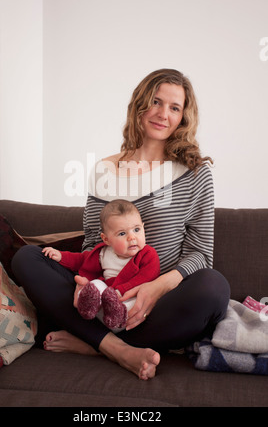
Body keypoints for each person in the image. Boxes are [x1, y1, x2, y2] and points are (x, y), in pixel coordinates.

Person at [12, 68, 230, 381]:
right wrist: (84, 284)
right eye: (155, 102)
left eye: (174, 107)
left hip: (160, 304)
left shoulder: (196, 172)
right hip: (102, 300)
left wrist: (156, 288)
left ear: (183, 117)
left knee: (214, 286)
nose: (162, 114)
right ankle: (115, 347)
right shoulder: (104, 170)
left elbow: (200, 254)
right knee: (28, 258)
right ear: (139, 104)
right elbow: (92, 246)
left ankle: (95, 343)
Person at [42, 199, 160, 331]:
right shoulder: (103, 253)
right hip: (104, 303)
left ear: (143, 228)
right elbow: (81, 260)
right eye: (122, 233)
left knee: (134, 300)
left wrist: (119, 291)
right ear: (106, 239)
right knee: (95, 285)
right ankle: (88, 305)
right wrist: (60, 256)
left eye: (136, 229)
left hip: (130, 300)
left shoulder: (147, 254)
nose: (132, 237)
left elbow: (147, 277)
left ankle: (115, 314)